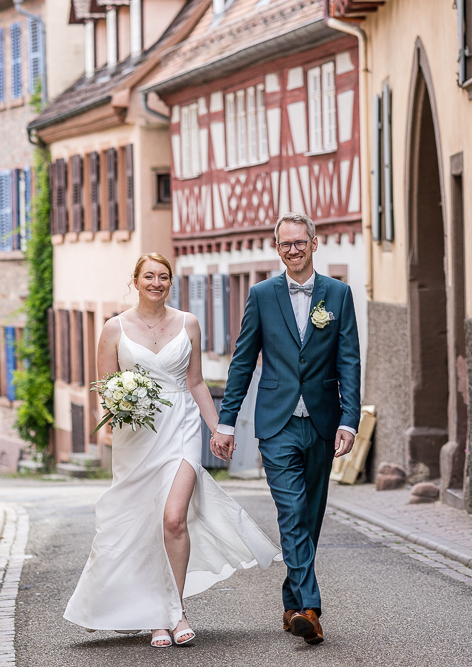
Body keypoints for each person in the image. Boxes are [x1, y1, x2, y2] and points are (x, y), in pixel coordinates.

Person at [64, 253, 281, 648]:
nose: (156, 283)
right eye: (149, 276)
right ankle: (154, 616)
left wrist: (219, 428)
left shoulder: (188, 323)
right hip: (137, 435)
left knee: (174, 518)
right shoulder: (114, 329)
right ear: (135, 281)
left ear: (170, 282)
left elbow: (196, 381)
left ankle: (174, 610)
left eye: (163, 277)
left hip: (181, 426)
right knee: (141, 524)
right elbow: (106, 390)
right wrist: (122, 407)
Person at [211, 212, 361, 645]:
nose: (293, 250)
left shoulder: (338, 293)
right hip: (277, 423)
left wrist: (349, 419)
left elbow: (349, 360)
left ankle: (291, 605)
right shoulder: (261, 295)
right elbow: (243, 361)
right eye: (285, 244)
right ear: (277, 248)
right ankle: (310, 608)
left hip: (322, 421)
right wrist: (226, 421)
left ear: (314, 243)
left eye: (299, 242)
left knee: (309, 517)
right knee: (292, 512)